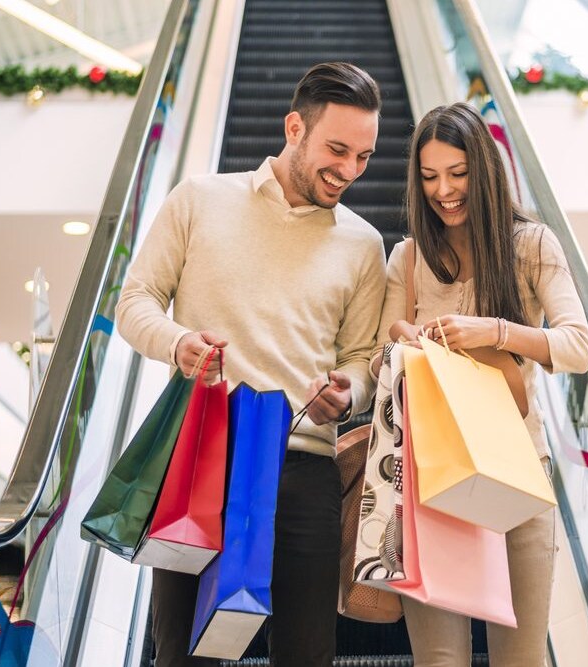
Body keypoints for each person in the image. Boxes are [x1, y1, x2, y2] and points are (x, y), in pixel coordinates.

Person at [116, 62, 387, 667]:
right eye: (336, 149)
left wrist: (349, 391)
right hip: (201, 462)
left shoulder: (365, 245)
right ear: (295, 127)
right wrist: (178, 343)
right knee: (185, 655)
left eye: (364, 156)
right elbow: (134, 301)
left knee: (306, 655)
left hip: (307, 471)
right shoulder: (197, 201)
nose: (349, 171)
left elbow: (364, 359)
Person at [375, 102, 588, 666]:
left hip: (518, 472)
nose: (443, 191)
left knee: (520, 659)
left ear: (485, 170)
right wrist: (401, 341)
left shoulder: (532, 245)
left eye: (457, 173)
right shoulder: (409, 257)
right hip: (431, 479)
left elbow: (577, 347)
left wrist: (493, 331)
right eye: (428, 178)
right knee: (439, 660)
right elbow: (382, 364)